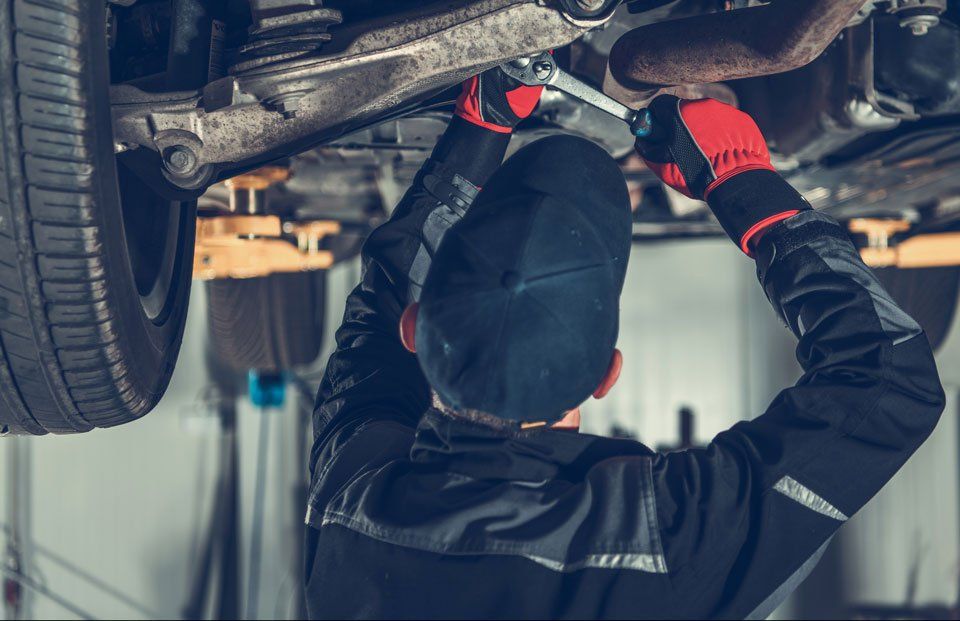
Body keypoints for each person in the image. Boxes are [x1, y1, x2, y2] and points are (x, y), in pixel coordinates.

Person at [303, 66, 945, 620]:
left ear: (609, 374)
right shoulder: (351, 507)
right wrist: (482, 122)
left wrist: (748, 190)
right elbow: (387, 297)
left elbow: (889, 385)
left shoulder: (668, 540)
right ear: (605, 374)